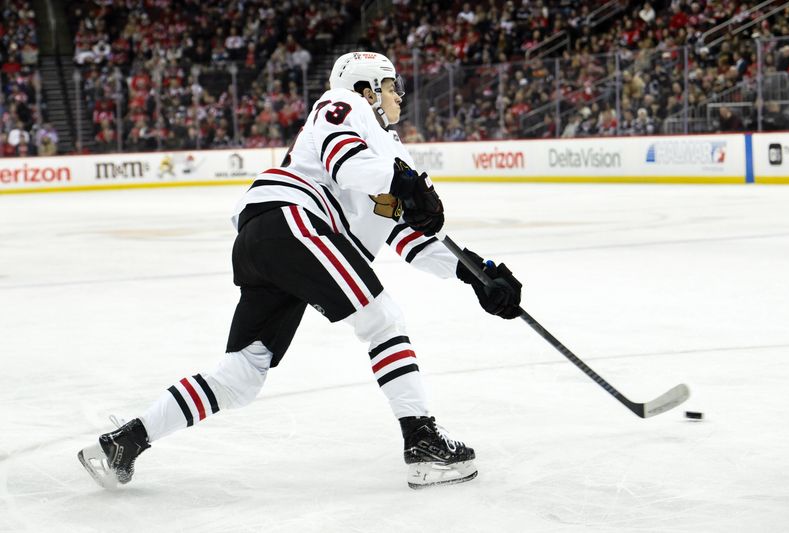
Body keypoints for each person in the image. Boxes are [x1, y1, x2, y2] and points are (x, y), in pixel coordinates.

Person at [78, 52, 522, 490]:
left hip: (271, 238)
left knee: (242, 375)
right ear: (367, 89)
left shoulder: (387, 151)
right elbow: (343, 159)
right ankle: (422, 442)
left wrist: (476, 275)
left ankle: (128, 439)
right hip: (293, 219)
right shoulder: (344, 104)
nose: (399, 94)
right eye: (391, 85)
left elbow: (405, 236)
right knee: (382, 320)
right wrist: (401, 183)